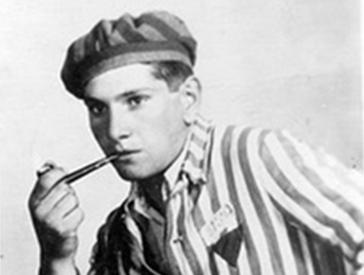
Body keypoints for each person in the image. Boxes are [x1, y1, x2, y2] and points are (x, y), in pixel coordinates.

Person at [28, 10, 364, 275]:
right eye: (98, 108)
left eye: (135, 100)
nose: (115, 130)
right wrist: (57, 255)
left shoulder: (255, 157)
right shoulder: (120, 233)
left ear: (188, 98)